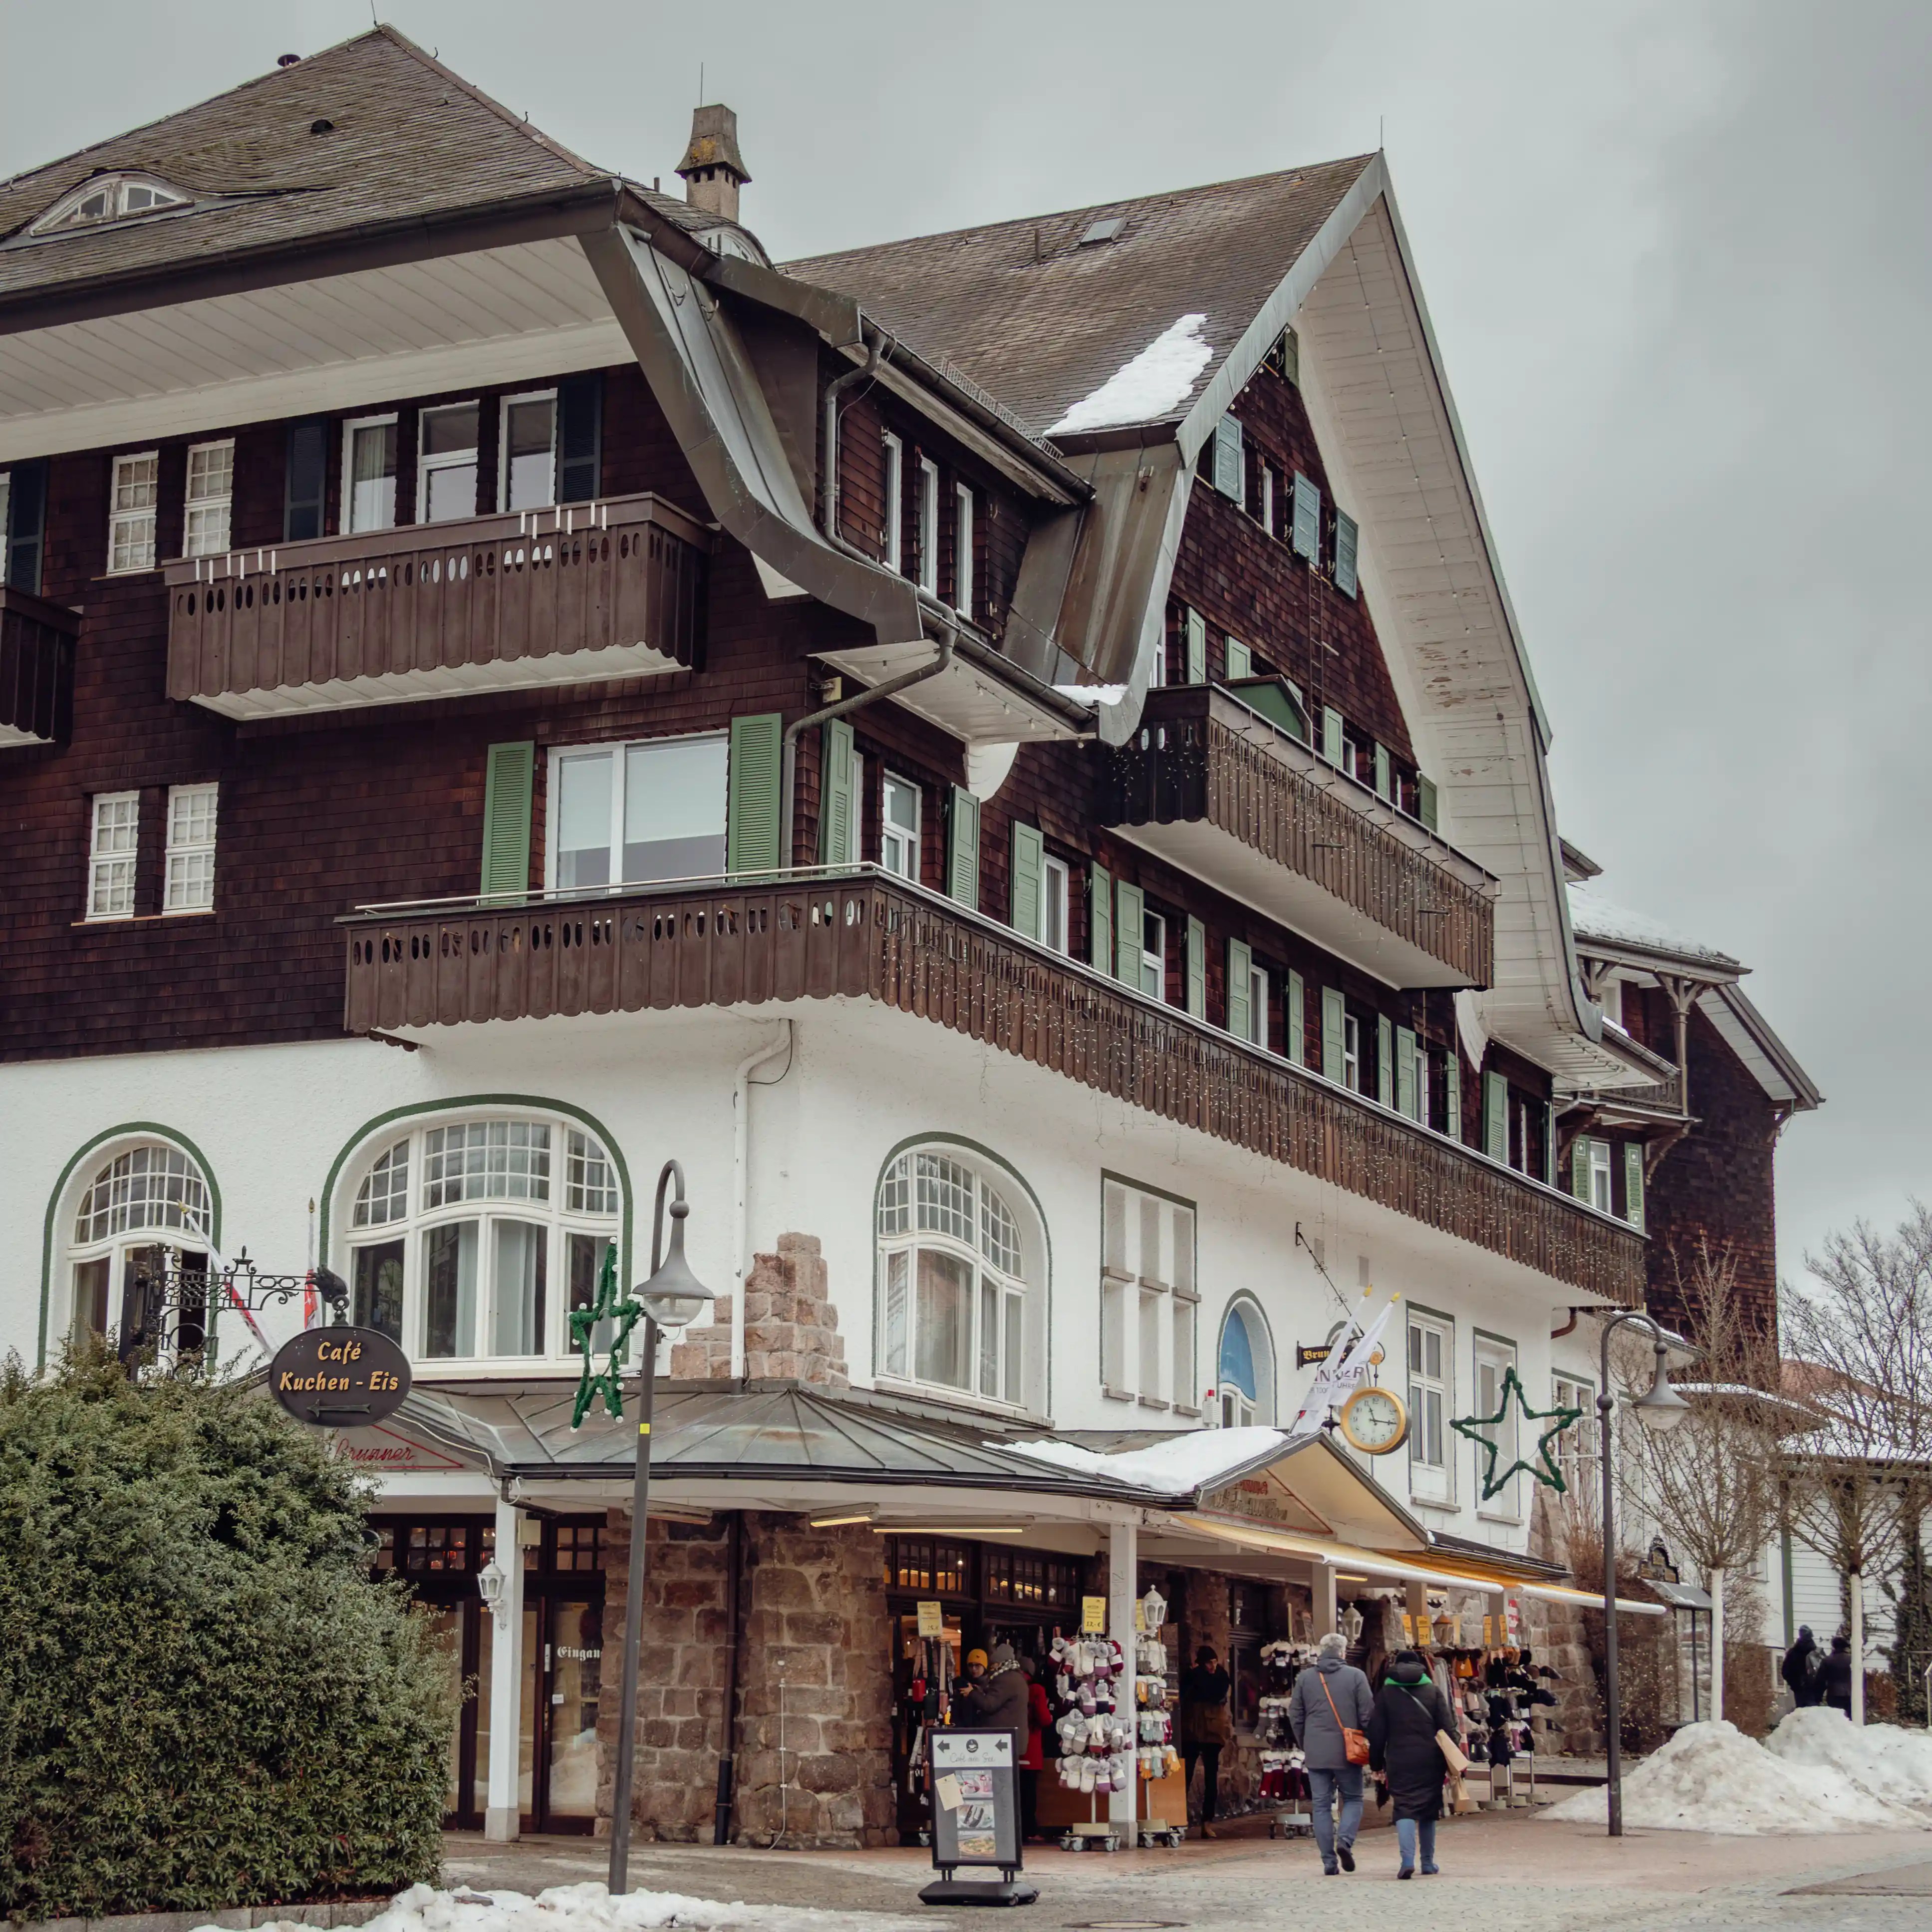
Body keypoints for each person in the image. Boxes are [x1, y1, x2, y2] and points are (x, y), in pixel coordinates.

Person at [1287, 1631, 1374, 1876]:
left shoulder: (1305, 1678)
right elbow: (1368, 1714)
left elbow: (1295, 1715)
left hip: (1316, 1751)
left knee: (1321, 1805)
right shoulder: (1357, 1676)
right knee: (1354, 1799)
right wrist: (1369, 1742)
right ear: (1343, 1652)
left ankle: (1328, 1862)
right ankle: (1344, 1842)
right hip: (1348, 1750)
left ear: (1321, 1651)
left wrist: (1306, 1741)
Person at [1366, 1649, 1454, 1879]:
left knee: (1404, 1807)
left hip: (1399, 1759)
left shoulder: (1386, 1694)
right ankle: (1427, 1863)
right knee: (1428, 1809)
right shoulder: (1433, 1692)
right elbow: (1448, 1728)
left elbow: (1376, 1733)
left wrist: (1376, 1764)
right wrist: (1454, 1762)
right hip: (1430, 1760)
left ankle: (1407, 1860)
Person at [1179, 1644, 1234, 1838]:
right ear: (1200, 1664)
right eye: (1208, 1663)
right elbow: (1186, 1694)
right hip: (1193, 1732)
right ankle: (1178, 1818)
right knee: (1185, 1776)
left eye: (1214, 1662)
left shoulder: (1221, 1676)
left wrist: (1199, 1677)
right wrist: (1196, 1677)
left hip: (1212, 1733)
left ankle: (1207, 1822)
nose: (1212, 1666)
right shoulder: (1191, 1676)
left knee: (1212, 1779)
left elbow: (1213, 1693)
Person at [972, 1641, 1033, 1759]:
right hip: (1009, 1740)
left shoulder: (1005, 1679)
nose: (992, 1667)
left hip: (1002, 1741)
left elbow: (989, 1704)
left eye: (994, 1664)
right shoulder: (1016, 1677)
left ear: (1001, 1663)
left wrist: (972, 1693)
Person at [1018, 1654, 1053, 1843]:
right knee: (1029, 1793)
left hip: (1011, 1748)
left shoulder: (1012, 1687)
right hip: (1030, 1748)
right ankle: (1029, 1829)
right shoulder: (1036, 1690)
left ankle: (1017, 1830)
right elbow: (1045, 1718)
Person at [1781, 1627, 1821, 1708]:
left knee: (1802, 1714)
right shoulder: (1816, 1652)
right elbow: (1823, 1669)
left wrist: (1795, 1685)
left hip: (1799, 1687)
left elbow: (1785, 1671)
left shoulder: (1793, 1653)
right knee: (1815, 1714)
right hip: (1815, 1687)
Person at [951, 1646, 990, 1724]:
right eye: (971, 1666)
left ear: (984, 1667)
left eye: (977, 1666)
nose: (974, 1669)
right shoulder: (963, 1684)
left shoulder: (991, 1685)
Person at [1818, 1633, 1855, 1715]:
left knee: (1837, 1717)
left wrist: (1818, 1696)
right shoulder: (1853, 1660)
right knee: (1850, 1718)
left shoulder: (1827, 1661)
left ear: (1833, 1646)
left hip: (1834, 1693)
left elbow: (1821, 1680)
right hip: (1850, 1693)